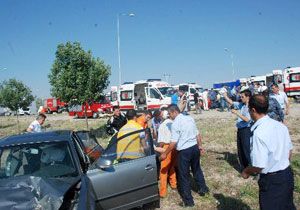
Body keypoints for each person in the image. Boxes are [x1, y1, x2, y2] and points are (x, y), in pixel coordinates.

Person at [242, 95, 295, 210]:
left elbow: (259, 166)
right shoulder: (280, 126)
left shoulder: (259, 133)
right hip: (287, 175)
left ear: (253, 110)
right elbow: (289, 151)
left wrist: (246, 171)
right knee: (287, 205)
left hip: (272, 181)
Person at [160, 105, 209, 207]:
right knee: (197, 169)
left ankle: (188, 201)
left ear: (174, 112)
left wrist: (165, 153)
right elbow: (197, 134)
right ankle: (203, 189)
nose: (169, 116)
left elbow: (173, 142)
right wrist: (200, 146)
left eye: (170, 114)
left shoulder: (175, 124)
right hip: (194, 148)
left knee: (183, 176)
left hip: (184, 151)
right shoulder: (189, 118)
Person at [223, 89, 252, 170]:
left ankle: (253, 169)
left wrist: (236, 113)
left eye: (242, 97)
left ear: (248, 97)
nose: (241, 98)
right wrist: (225, 95)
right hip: (240, 130)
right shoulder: (242, 105)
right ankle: (245, 168)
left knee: (246, 150)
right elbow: (232, 102)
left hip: (246, 130)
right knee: (241, 150)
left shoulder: (250, 107)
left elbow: (247, 119)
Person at [156, 109, 177, 198]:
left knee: (163, 170)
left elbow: (161, 142)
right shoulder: (174, 123)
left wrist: (158, 148)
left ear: (162, 117)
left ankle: (163, 192)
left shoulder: (162, 126)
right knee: (172, 167)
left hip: (166, 148)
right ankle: (173, 184)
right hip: (175, 146)